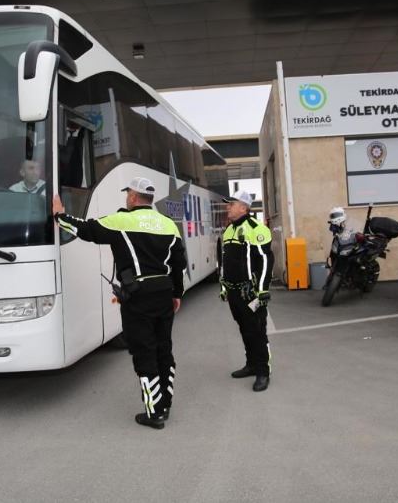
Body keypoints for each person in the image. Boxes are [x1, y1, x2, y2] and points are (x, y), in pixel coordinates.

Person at [52, 177, 186, 429]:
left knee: (144, 351)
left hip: (138, 296)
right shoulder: (168, 224)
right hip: (163, 292)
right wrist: (176, 294)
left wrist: (60, 216)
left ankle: (154, 413)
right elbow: (179, 264)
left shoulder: (121, 220)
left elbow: (85, 230)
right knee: (163, 348)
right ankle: (165, 404)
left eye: (128, 194)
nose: (126, 198)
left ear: (134, 197)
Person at [219, 190, 274, 392]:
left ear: (243, 207)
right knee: (244, 329)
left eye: (231, 204)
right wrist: (223, 286)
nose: (228, 207)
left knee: (257, 332)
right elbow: (224, 261)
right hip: (234, 293)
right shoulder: (228, 231)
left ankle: (263, 372)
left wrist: (262, 290)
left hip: (251, 293)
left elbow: (266, 261)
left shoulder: (257, 229)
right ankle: (251, 364)